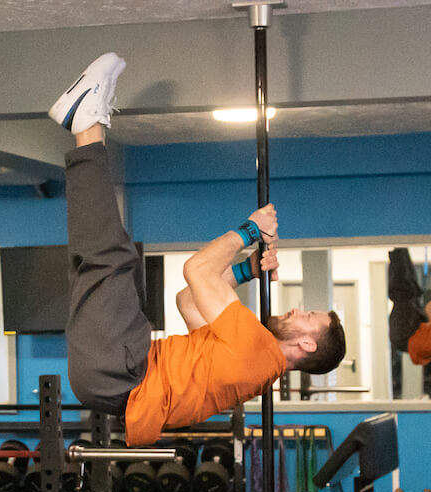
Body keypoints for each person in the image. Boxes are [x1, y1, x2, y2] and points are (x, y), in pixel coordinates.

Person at [49, 52, 346, 446]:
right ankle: (86, 125)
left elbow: (197, 269)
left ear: (307, 344)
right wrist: (248, 270)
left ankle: (86, 122)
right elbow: (189, 300)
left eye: (307, 315)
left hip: (124, 370)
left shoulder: (257, 352)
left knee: (111, 258)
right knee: (100, 260)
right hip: (115, 372)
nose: (295, 309)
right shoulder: (252, 362)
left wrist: (250, 230)